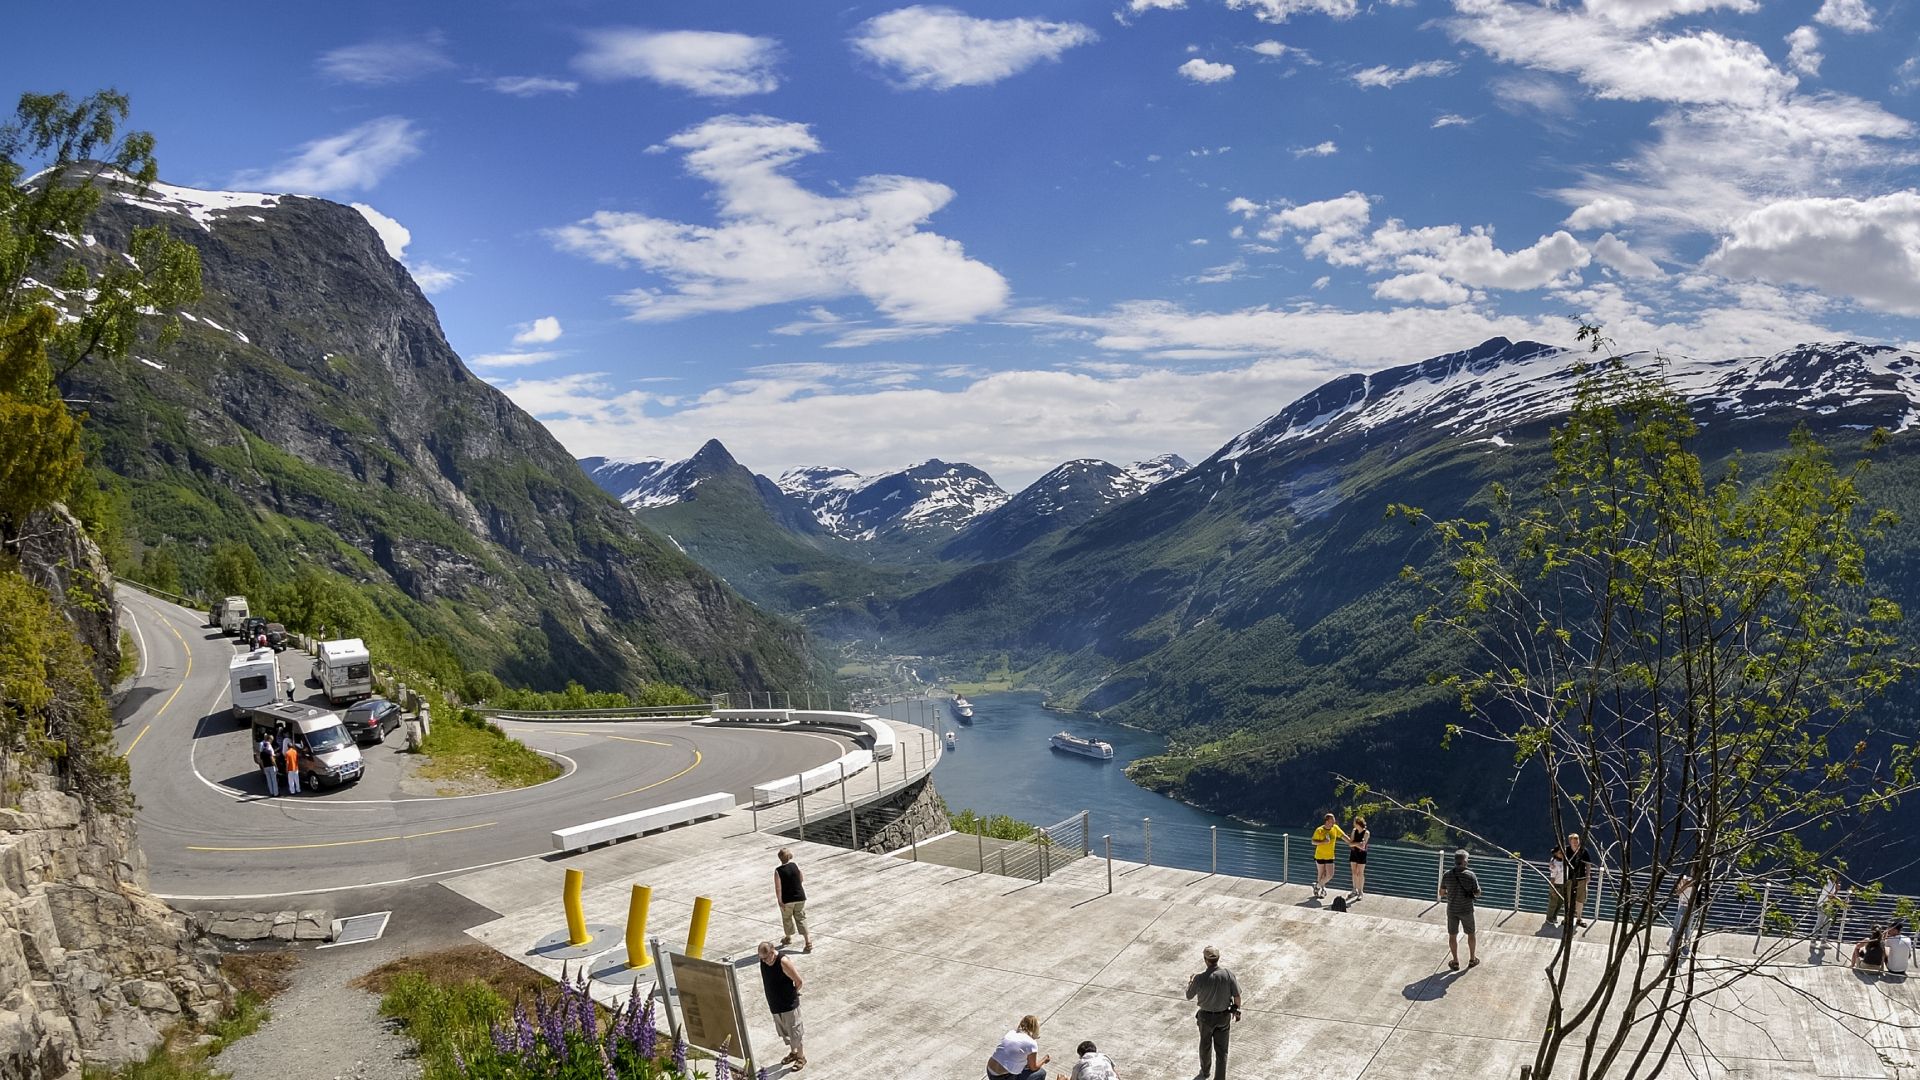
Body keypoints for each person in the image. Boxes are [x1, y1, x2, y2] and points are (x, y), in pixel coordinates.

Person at [1184, 945, 1240, 1080]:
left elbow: (1188, 995)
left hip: (1205, 1019)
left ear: (1205, 960)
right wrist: (1236, 1010)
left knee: (1205, 1046)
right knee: (1222, 1051)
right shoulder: (1228, 974)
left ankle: (1205, 1072)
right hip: (1223, 1017)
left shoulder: (1199, 978)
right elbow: (1237, 996)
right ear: (1218, 959)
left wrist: (1190, 982)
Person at [756, 942, 806, 1071]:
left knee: (795, 1032)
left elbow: (799, 981)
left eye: (766, 958)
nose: (764, 961)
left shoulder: (783, 962)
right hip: (775, 1004)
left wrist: (792, 994)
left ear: (772, 952)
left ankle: (801, 1057)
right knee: (785, 1031)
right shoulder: (763, 961)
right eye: (761, 958)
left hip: (789, 1005)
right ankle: (793, 1053)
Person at [1440, 849, 1481, 970]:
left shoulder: (1447, 874)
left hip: (1452, 909)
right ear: (1464, 861)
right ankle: (1472, 959)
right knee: (1471, 934)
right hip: (1467, 910)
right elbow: (1478, 892)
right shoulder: (1470, 875)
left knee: (1452, 935)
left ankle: (1455, 961)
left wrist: (1451, 893)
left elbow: (1441, 893)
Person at [987, 1015, 1049, 1080]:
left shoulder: (1011, 1033)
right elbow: (1033, 1067)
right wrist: (1044, 1060)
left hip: (990, 1070)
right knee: (1041, 1073)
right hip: (1002, 1077)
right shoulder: (1032, 1043)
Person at [774, 848, 813, 953]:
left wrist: (779, 900)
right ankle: (807, 941)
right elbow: (801, 878)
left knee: (787, 918)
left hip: (787, 899)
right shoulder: (795, 865)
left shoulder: (778, 871)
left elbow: (778, 888)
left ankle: (788, 937)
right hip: (800, 897)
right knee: (801, 918)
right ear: (789, 856)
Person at [1312, 813, 1348, 900]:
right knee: (1321, 874)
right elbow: (1313, 842)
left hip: (1330, 856)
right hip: (1320, 855)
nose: (1334, 822)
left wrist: (1352, 844)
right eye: (1332, 820)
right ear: (1327, 821)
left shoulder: (1335, 828)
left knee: (1330, 875)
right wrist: (1324, 841)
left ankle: (1317, 886)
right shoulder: (1319, 830)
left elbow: (1343, 836)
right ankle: (1322, 891)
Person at [1810, 870, 1844, 955]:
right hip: (1822, 905)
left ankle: (1823, 941)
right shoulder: (1828, 883)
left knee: (1827, 923)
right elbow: (1830, 896)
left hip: (1828, 906)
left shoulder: (1831, 883)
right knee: (1819, 923)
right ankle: (1813, 941)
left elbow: (1832, 896)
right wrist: (1840, 900)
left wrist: (1836, 889)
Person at [1567, 834, 1595, 927]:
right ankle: (1568, 918)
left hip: (1581, 878)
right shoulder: (1566, 850)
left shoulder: (1583, 851)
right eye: (1573, 842)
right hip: (1569, 878)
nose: (1575, 843)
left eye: (1577, 841)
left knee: (1580, 900)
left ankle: (1579, 918)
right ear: (1570, 842)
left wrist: (1588, 875)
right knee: (1568, 899)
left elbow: (1588, 864)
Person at [1666, 873, 1695, 956]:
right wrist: (1682, 882)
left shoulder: (1693, 882)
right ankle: (1676, 949)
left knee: (1684, 930)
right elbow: (1677, 892)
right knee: (1679, 929)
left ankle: (1679, 950)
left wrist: (1684, 883)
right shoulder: (1685, 882)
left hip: (1688, 907)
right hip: (1682, 906)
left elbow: (1688, 885)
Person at [1544, 845, 1568, 928]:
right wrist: (1552, 889)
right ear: (1556, 854)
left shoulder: (1564, 861)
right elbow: (1552, 878)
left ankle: (1554, 916)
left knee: (1560, 902)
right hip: (1556, 884)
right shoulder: (1554, 864)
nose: (1561, 854)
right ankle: (1549, 918)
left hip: (1564, 884)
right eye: (1559, 853)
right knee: (1553, 903)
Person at [1347, 816, 1370, 900]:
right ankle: (1354, 889)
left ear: (1358, 823)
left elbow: (1363, 846)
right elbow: (1350, 843)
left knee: (1360, 873)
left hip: (1362, 854)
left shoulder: (1366, 833)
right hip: (1354, 853)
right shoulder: (1354, 831)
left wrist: (1355, 844)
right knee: (1354, 872)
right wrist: (1358, 844)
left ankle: (1361, 891)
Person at [255, 732, 279, 797]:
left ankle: (271, 792)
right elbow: (272, 760)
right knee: (274, 780)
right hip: (271, 766)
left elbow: (261, 761)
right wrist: (276, 766)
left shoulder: (262, 753)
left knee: (269, 781)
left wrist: (263, 768)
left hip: (265, 767)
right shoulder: (269, 752)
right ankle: (276, 793)